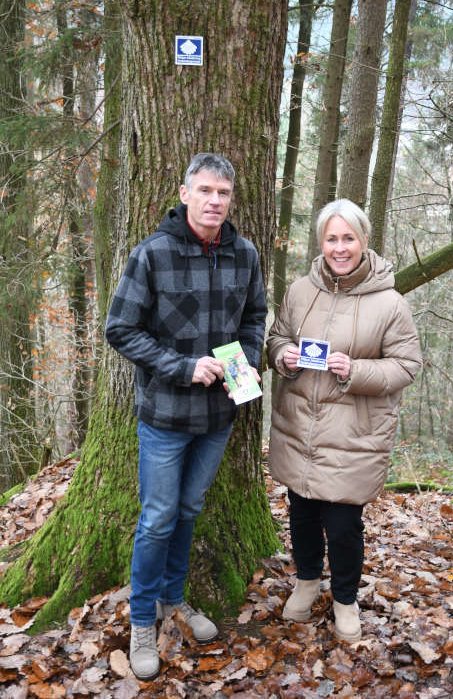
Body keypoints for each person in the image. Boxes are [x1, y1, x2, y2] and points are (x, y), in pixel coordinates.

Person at [105, 153, 267, 680]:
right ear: (184, 193)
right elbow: (120, 329)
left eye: (223, 193)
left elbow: (255, 318)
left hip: (218, 417)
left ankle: (174, 600)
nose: (214, 201)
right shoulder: (151, 254)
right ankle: (143, 621)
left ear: (230, 199)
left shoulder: (245, 254)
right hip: (164, 416)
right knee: (156, 519)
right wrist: (180, 367)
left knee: (190, 509)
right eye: (204, 191)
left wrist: (242, 365)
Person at [266, 199, 422, 643]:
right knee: (301, 512)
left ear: (364, 241)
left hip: (355, 432)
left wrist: (354, 370)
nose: (339, 248)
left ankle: (345, 600)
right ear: (321, 243)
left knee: (343, 525)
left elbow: (406, 366)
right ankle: (306, 581)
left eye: (348, 238)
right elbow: (277, 337)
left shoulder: (390, 303)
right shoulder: (300, 291)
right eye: (331, 239)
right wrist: (283, 356)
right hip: (300, 426)